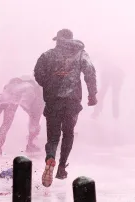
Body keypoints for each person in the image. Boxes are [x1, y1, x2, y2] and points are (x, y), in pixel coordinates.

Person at [34, 29, 97, 187]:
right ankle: (62, 167)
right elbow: (90, 71)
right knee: (68, 133)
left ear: (58, 40)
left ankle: (50, 158)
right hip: (72, 101)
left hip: (53, 101)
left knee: (53, 136)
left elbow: (38, 73)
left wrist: (49, 84)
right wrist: (92, 95)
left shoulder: (48, 55)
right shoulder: (81, 53)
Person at [0, 76, 45, 155]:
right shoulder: (39, 94)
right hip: (15, 97)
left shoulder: (29, 80)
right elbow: (34, 116)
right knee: (6, 123)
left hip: (8, 90)